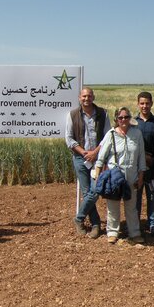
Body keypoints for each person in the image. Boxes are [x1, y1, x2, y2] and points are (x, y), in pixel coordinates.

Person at [94, 107, 146, 244]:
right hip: (115, 177)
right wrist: (98, 177)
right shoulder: (111, 134)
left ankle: (134, 233)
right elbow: (101, 157)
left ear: (130, 118)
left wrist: (141, 176)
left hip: (132, 175)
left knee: (131, 206)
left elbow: (141, 157)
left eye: (126, 117)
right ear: (116, 119)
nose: (123, 120)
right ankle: (112, 232)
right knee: (113, 205)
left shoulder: (137, 134)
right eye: (120, 117)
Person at [66, 87, 111, 239]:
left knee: (96, 190)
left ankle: (79, 218)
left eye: (89, 96)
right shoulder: (72, 115)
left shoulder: (103, 114)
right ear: (80, 98)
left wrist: (95, 153)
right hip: (80, 158)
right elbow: (69, 139)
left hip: (98, 158)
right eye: (84, 96)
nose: (87, 99)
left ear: (93, 97)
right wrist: (83, 152)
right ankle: (96, 224)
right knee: (87, 192)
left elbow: (107, 137)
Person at [135, 92, 154, 235]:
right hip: (137, 167)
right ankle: (136, 224)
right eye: (142, 103)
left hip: (152, 167)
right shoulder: (133, 122)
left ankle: (153, 224)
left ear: (151, 103)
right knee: (136, 197)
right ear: (138, 104)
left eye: (147, 103)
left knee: (152, 197)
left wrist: (153, 159)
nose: (144, 106)